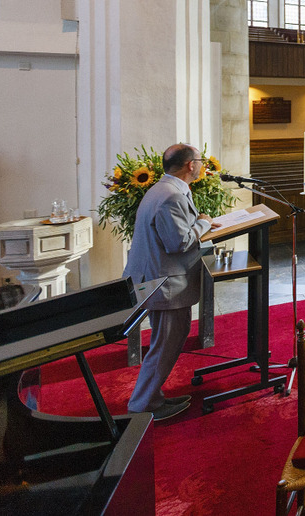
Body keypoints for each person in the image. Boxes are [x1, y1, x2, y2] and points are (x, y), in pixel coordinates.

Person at [123, 144, 220, 420]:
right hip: (164, 283)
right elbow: (179, 242)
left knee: (164, 342)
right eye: (199, 161)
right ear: (190, 165)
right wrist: (204, 223)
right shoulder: (170, 197)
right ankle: (143, 404)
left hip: (157, 277)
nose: (201, 165)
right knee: (165, 344)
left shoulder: (162, 189)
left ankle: (152, 397)